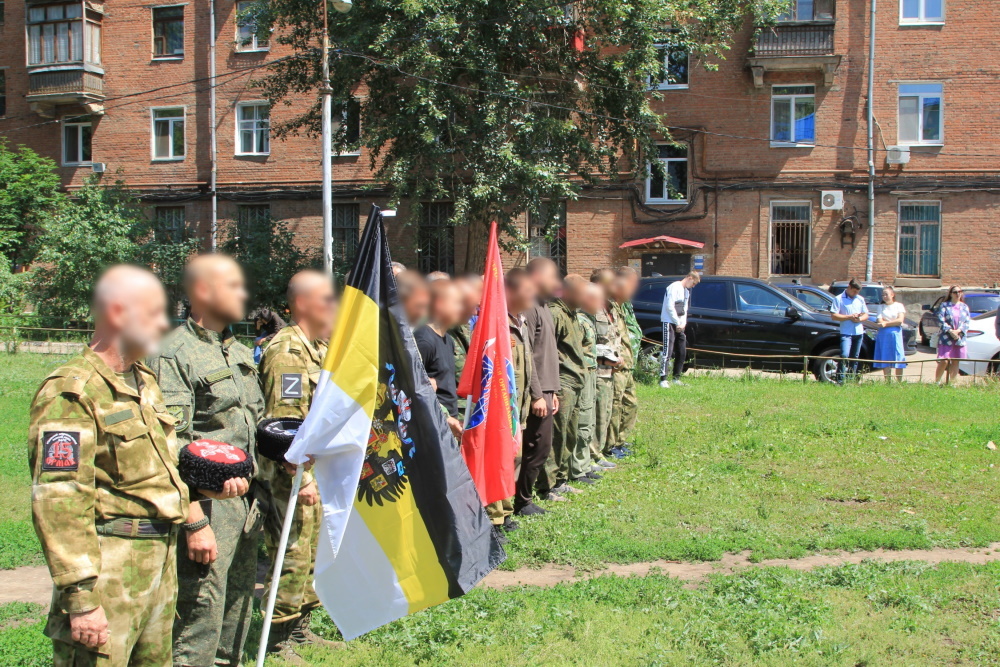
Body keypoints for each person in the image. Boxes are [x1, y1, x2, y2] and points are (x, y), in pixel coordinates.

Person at [28, 266, 224, 665]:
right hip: (110, 568)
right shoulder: (73, 391)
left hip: (159, 563)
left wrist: (201, 495)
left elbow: (158, 469)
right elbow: (59, 501)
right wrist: (82, 599)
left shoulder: (144, 381)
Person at [149, 254, 265, 667]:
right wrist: (194, 519)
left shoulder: (238, 350)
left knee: (235, 608)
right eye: (231, 286)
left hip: (246, 503)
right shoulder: (173, 354)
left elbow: (251, 423)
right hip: (208, 508)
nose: (243, 294)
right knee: (201, 613)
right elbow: (169, 447)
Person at [257, 270, 339, 653]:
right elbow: (284, 424)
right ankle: (275, 640)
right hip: (289, 475)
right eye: (327, 299)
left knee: (310, 551)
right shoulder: (287, 350)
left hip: (313, 470)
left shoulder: (317, 347)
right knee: (290, 552)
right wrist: (301, 479)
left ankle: (300, 627)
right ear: (303, 303)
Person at [484, 268, 535, 532]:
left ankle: (506, 510)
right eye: (528, 291)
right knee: (498, 460)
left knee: (514, 458)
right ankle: (494, 518)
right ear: (511, 292)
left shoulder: (520, 321)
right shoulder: (496, 323)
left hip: (518, 407)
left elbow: (527, 364)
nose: (533, 296)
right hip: (500, 407)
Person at [543, 274, 596, 498]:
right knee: (557, 436)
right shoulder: (555, 313)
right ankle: (547, 485)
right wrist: (551, 388)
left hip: (575, 382)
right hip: (562, 383)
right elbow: (547, 352)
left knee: (570, 434)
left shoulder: (572, 314)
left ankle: (561, 478)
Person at [516, 257, 561, 516]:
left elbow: (546, 353)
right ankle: (520, 501)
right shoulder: (530, 306)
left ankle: (524, 498)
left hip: (546, 389)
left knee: (541, 447)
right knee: (534, 446)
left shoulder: (544, 305)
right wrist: (536, 394)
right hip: (535, 391)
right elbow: (527, 353)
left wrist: (551, 391)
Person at [413, 279, 466, 440]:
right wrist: (445, 417)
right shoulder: (424, 340)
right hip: (432, 427)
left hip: (449, 424)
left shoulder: (448, 339)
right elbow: (414, 389)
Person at [577, 282, 615, 472]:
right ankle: (584, 462)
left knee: (594, 418)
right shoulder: (580, 320)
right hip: (586, 375)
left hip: (595, 373)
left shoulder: (589, 319)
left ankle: (591, 458)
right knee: (585, 420)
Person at [608, 271, 639, 458]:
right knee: (615, 406)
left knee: (630, 404)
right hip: (615, 367)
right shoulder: (608, 308)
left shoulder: (622, 307)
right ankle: (611, 446)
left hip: (626, 365)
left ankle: (619, 441)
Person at [592, 271, 621, 466]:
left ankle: (600, 451)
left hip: (611, 371)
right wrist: (606, 360)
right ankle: (592, 456)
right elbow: (587, 342)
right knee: (596, 416)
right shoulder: (590, 308)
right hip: (598, 370)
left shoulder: (611, 307)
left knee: (606, 412)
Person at [659, 272, 700, 388]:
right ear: (689, 278)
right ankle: (663, 379)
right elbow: (669, 306)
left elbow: (684, 309)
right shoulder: (674, 287)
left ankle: (676, 377)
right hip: (669, 322)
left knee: (682, 351)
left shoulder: (686, 291)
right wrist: (677, 323)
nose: (693, 286)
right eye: (694, 283)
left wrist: (683, 324)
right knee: (668, 351)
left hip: (679, 324)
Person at [450, 274, 484, 412]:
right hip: (452, 410)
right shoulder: (435, 333)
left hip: (471, 407)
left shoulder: (467, 329)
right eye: (472, 306)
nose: (476, 312)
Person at [829, 278, 870, 384]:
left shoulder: (860, 299)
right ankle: (840, 379)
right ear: (849, 287)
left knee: (855, 356)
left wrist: (859, 319)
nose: (856, 294)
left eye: (858, 292)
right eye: (854, 291)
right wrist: (849, 317)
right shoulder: (839, 299)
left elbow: (866, 314)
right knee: (844, 355)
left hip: (858, 332)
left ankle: (851, 378)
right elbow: (834, 316)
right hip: (846, 332)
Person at [934, 285, 971, 385]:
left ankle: (952, 384)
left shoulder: (964, 307)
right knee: (944, 361)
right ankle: (937, 382)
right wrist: (950, 331)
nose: (958, 293)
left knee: (955, 361)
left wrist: (958, 331)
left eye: (960, 291)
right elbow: (940, 320)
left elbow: (967, 322)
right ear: (950, 294)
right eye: (955, 292)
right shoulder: (944, 305)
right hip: (946, 337)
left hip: (959, 338)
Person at [873, 286, 907, 381]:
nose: (884, 296)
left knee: (898, 355)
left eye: (886, 294)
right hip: (883, 335)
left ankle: (899, 381)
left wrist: (886, 322)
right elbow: (880, 321)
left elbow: (900, 320)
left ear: (892, 295)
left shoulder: (899, 305)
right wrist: (891, 322)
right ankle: (887, 380)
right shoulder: (881, 307)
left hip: (895, 334)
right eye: (882, 295)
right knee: (885, 356)